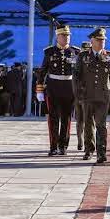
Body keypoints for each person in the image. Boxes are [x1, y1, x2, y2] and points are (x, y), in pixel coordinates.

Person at [73, 28, 110, 163]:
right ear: (92, 41)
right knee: (88, 124)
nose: (102, 42)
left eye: (103, 40)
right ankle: (89, 150)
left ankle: (102, 153)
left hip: (103, 97)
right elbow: (76, 77)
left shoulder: (109, 56)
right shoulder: (83, 56)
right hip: (87, 96)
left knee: (101, 125)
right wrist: (78, 95)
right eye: (99, 40)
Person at [38, 25, 81, 156]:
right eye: (63, 35)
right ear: (57, 37)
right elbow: (42, 71)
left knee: (67, 118)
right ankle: (53, 146)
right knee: (53, 118)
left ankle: (63, 146)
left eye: (68, 35)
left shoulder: (76, 52)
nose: (66, 38)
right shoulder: (49, 52)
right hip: (53, 88)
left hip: (69, 88)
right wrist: (39, 89)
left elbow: (79, 74)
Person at [74, 41, 92, 151]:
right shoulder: (79, 60)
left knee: (87, 121)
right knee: (80, 120)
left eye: (87, 49)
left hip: (88, 96)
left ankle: (84, 142)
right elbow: (75, 79)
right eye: (84, 49)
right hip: (79, 95)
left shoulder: (92, 60)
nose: (86, 51)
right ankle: (80, 141)